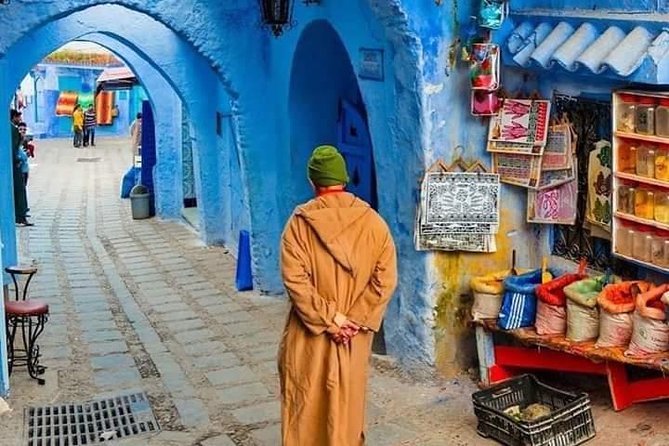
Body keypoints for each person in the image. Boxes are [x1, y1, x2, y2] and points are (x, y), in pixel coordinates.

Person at [278, 145, 397, 445]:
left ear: (313, 182)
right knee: (347, 404)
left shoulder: (298, 226)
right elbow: (385, 280)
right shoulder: (375, 224)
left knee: (306, 404)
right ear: (344, 179)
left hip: (310, 334)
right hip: (353, 337)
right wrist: (353, 320)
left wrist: (331, 319)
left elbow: (296, 281)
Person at [10, 110, 32, 226]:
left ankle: (20, 215)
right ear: (14, 117)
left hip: (15, 163)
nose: (20, 119)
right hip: (15, 164)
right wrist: (17, 159)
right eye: (18, 117)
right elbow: (14, 147)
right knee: (19, 190)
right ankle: (20, 216)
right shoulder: (13, 129)